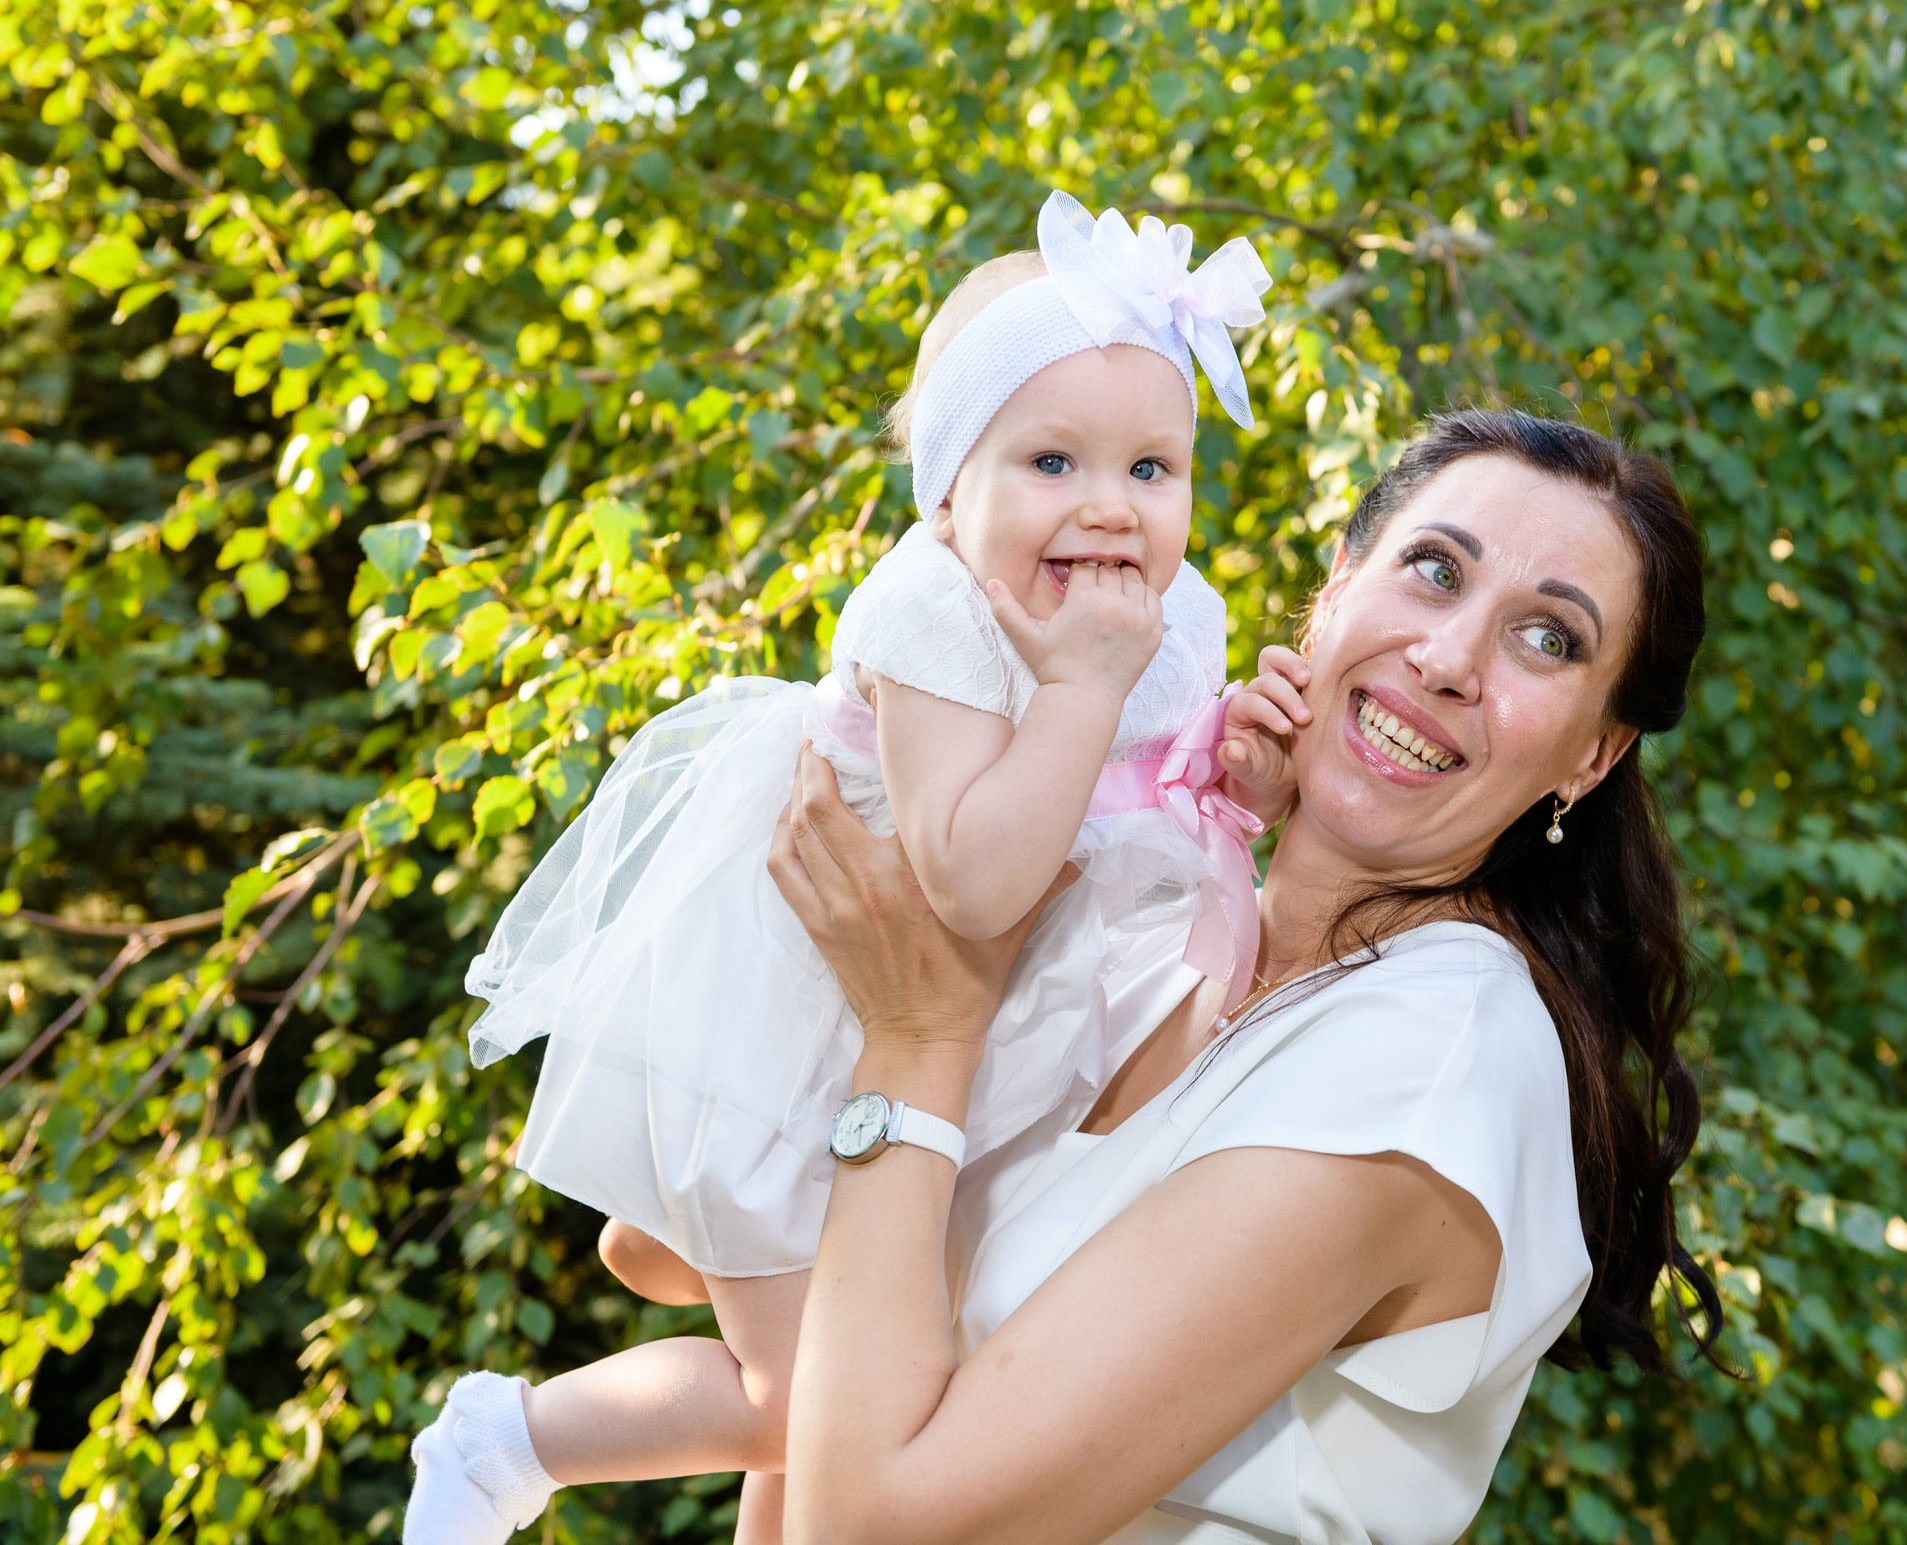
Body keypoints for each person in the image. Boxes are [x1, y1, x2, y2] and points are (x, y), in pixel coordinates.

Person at [403, 191, 1293, 1545]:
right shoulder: (934, 608)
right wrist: (1083, 685)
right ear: (950, 492)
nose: (1108, 507)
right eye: (1051, 461)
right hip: (808, 1019)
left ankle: (691, 1244)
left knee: (867, 1363)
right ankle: (506, 1436)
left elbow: (1133, 791)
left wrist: (1232, 758)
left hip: (957, 1049)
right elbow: (973, 882)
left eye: (1151, 469)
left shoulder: (1160, 614)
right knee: (802, 1395)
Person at [764, 409, 1719, 1545]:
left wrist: (918, 1041)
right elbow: (790, 1374)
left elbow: (874, 1529)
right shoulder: (1153, 944)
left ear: (1592, 754)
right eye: (1432, 570)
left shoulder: (1430, 1059)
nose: (1449, 659)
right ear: (1335, 587)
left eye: (1548, 640)